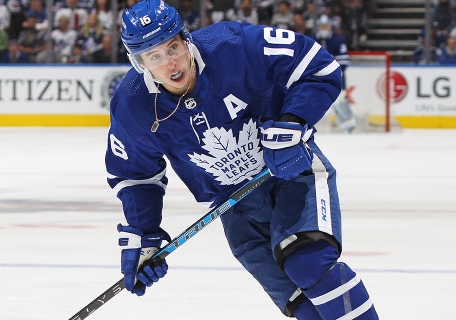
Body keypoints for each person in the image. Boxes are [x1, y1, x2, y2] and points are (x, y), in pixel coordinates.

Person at [104, 0, 379, 319]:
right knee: (299, 304)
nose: (171, 63)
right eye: (154, 56)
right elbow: (135, 175)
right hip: (234, 207)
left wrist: (292, 122)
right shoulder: (132, 106)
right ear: (139, 63)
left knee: (308, 264)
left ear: (185, 37)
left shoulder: (234, 45)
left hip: (292, 174)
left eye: (173, 47)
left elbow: (318, 66)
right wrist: (144, 232)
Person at [311, 14, 356, 133]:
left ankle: (348, 125)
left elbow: (344, 63)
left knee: (340, 100)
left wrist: (330, 74)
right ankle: (312, 125)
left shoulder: (337, 40)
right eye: (322, 25)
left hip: (336, 79)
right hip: (315, 79)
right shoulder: (312, 39)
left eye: (326, 25)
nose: (324, 28)